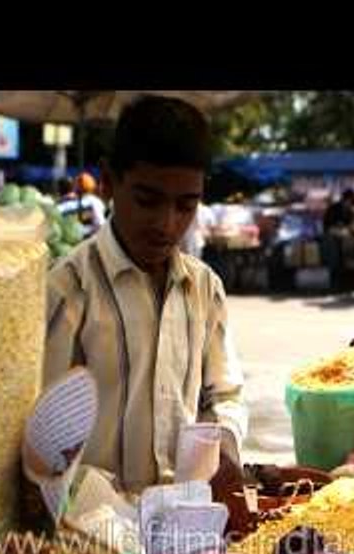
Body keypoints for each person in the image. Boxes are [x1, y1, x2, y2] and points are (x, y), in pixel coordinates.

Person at [26, 95, 248, 523]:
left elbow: (224, 394)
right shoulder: (68, 289)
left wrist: (223, 446)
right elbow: (41, 440)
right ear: (109, 183)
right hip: (93, 534)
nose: (166, 223)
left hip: (186, 523)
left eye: (185, 205)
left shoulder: (204, 288)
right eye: (148, 200)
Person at [57, 172, 108, 238]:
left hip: (89, 238)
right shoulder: (94, 201)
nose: (74, 186)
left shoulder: (90, 201)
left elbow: (100, 224)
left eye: (77, 183)